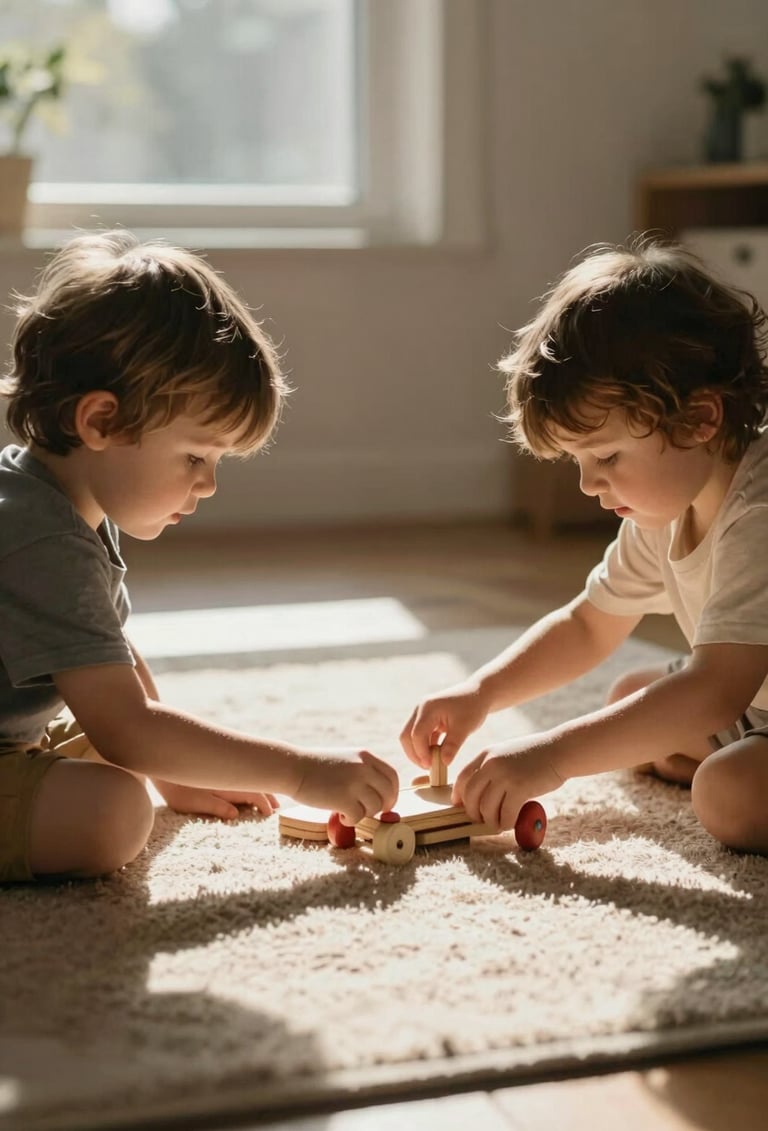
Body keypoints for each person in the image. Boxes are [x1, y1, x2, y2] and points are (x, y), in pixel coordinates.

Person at [0, 229, 398, 884]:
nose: (208, 483)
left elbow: (113, 656)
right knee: (115, 811)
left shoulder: (54, 499)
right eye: (195, 456)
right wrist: (299, 770)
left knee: (126, 755)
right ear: (100, 422)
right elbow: (127, 724)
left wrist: (172, 771)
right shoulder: (41, 540)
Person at [400, 237, 768, 855]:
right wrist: (482, 692)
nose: (588, 484)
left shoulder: (758, 511)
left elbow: (715, 689)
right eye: (577, 460)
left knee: (727, 793)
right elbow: (588, 626)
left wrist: (552, 757)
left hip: (735, 691)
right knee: (632, 700)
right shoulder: (666, 507)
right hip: (750, 700)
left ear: (701, 419)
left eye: (606, 456)